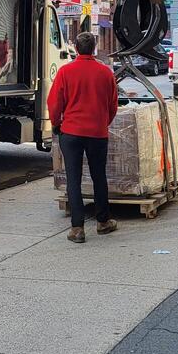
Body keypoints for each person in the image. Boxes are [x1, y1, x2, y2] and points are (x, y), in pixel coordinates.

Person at [47, 31, 120, 243]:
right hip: (97, 133)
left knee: (73, 179)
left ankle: (77, 229)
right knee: (99, 177)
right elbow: (113, 105)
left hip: (71, 132)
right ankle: (103, 222)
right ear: (94, 48)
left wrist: (56, 124)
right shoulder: (105, 73)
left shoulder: (65, 72)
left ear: (76, 49)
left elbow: (54, 103)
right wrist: (102, 123)